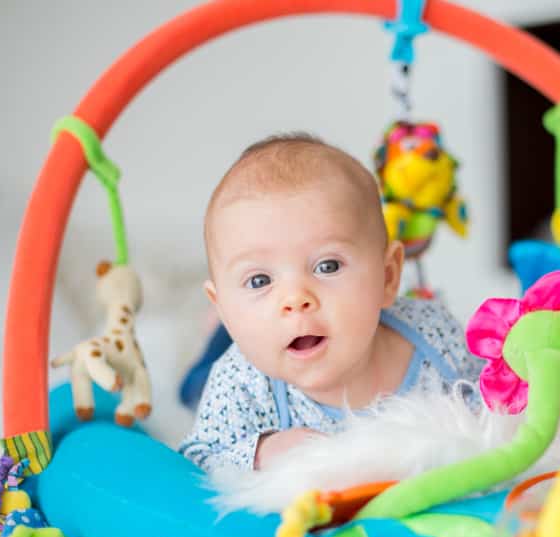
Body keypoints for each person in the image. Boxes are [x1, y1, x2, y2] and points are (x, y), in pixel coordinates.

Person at [179, 133, 484, 471]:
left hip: (274, 333)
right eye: (259, 280)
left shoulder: (433, 336)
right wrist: (261, 452)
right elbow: (197, 458)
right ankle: (217, 333)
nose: (296, 299)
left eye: (327, 266)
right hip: (235, 359)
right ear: (223, 305)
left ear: (388, 276)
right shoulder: (241, 383)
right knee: (195, 386)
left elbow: (489, 399)